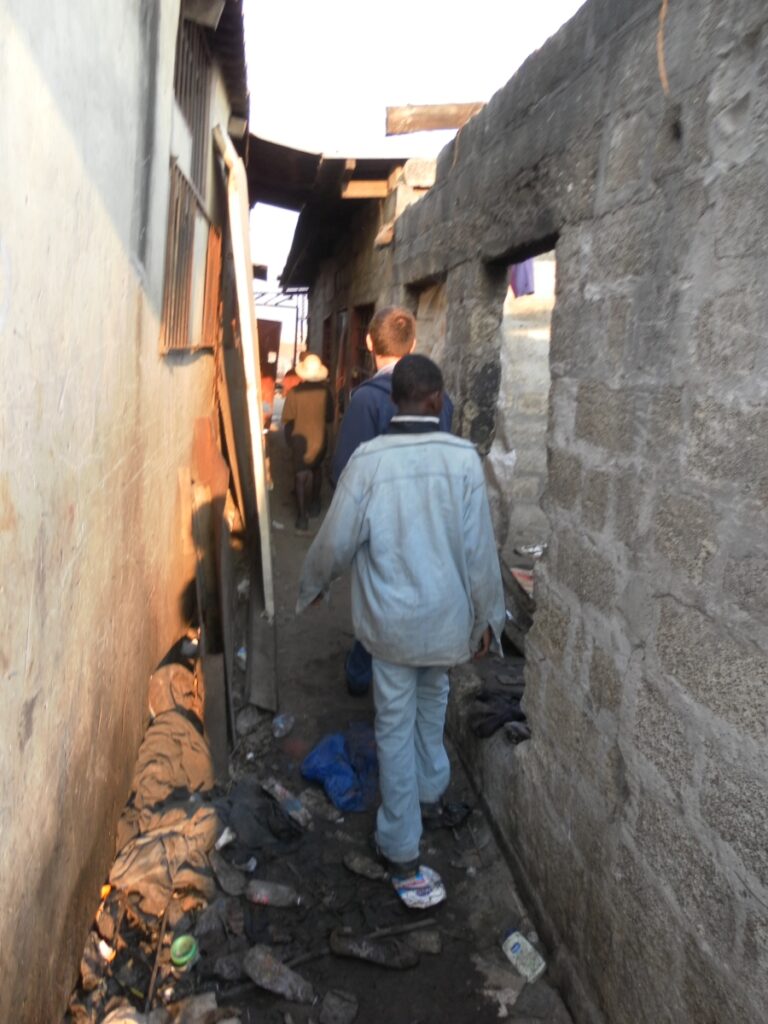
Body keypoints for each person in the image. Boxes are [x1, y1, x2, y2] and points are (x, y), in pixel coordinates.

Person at [297, 355, 505, 909]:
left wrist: (314, 584)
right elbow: (480, 552)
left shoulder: (369, 462)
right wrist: (489, 617)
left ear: (394, 401)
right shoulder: (463, 461)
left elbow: (336, 540)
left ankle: (401, 846)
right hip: (445, 624)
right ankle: (427, 798)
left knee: (394, 723)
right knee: (432, 705)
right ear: (437, 401)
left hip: (391, 628)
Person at [330, 306, 454, 696]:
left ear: (369, 342)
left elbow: (345, 474)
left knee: (378, 600)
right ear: (413, 345)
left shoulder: (367, 401)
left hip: (383, 526)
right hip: (429, 523)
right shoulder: (442, 401)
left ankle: (361, 675)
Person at [282, 353, 333, 532]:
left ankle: (302, 517)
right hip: (320, 439)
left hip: (300, 440)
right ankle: (315, 503)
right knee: (316, 470)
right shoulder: (326, 392)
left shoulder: (294, 393)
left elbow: (288, 418)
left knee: (300, 476)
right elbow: (329, 417)